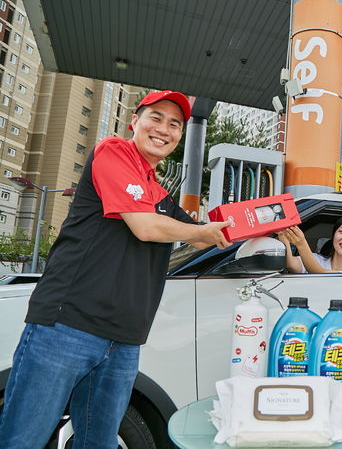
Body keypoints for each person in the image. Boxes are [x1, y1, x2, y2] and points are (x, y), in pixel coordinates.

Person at [0, 90, 232, 448]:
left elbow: (203, 238)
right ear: (134, 122)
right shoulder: (113, 152)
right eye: (155, 117)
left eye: (174, 124)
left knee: (100, 442)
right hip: (67, 326)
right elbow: (146, 227)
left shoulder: (155, 191)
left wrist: (265, 223)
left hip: (123, 340)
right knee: (23, 439)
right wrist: (202, 231)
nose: (164, 129)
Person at [278, 213, 342, 273]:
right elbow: (291, 264)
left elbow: (320, 274)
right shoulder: (316, 259)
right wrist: (283, 236)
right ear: (333, 235)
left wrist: (301, 243)